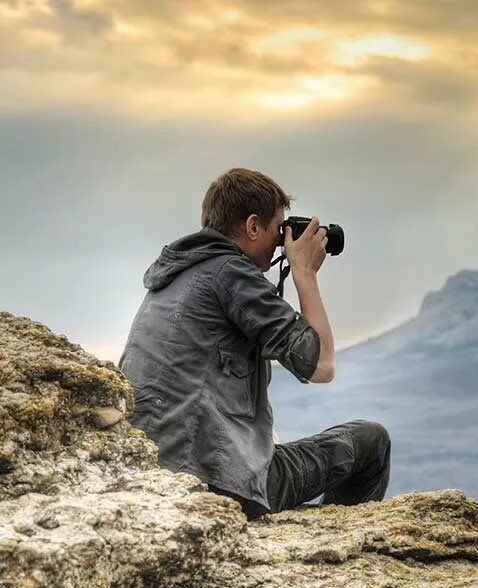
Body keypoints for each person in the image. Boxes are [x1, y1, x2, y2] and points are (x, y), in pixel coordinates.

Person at [119, 167, 391, 520]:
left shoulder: (175, 276)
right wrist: (304, 274)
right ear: (252, 226)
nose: (283, 240)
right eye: (279, 228)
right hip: (215, 483)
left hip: (158, 473)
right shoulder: (231, 274)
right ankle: (337, 544)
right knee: (371, 442)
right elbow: (322, 364)